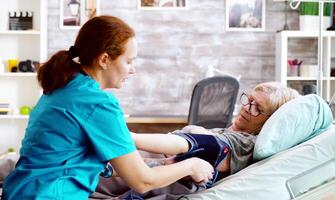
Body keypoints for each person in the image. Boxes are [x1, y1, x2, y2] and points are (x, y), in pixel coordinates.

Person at [1, 16, 214, 200]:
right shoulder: (98, 103)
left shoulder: (62, 87)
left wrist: (160, 166)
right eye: (129, 61)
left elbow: (78, 160)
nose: (133, 70)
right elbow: (143, 182)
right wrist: (192, 165)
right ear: (104, 59)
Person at [131, 82, 300, 179]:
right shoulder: (228, 131)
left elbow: (206, 148)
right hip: (139, 162)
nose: (247, 108)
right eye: (249, 100)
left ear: (269, 121)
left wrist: (128, 139)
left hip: (150, 173)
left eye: (258, 108)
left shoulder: (246, 142)